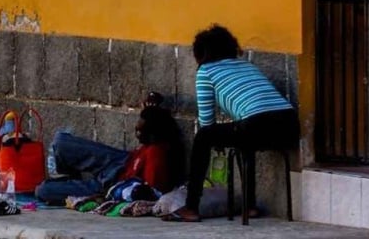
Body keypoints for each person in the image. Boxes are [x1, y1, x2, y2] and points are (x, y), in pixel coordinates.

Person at [163, 24, 298, 223]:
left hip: (256, 125)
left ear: (200, 53)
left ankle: (191, 207)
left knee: (203, 137)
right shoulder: (247, 65)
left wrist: (215, 140)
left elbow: (207, 121)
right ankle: (249, 206)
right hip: (289, 124)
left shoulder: (206, 72)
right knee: (244, 139)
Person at [35, 101, 185, 205]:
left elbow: (152, 191)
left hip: (112, 184)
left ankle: (70, 183)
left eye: (140, 132)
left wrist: (112, 194)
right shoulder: (150, 144)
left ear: (153, 134)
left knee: (43, 190)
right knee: (61, 142)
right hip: (120, 161)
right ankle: (69, 176)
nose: (137, 134)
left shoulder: (156, 154)